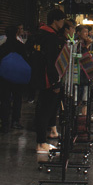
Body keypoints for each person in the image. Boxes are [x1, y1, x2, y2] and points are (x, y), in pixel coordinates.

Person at [33, 8, 66, 153]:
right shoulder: (52, 37)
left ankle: (41, 141)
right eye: (62, 20)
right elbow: (52, 62)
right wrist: (55, 82)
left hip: (37, 77)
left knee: (41, 109)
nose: (63, 23)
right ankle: (41, 143)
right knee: (45, 110)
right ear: (55, 20)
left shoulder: (39, 34)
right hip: (48, 79)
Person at [0, 25, 28, 132]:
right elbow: (26, 59)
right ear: (16, 33)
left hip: (4, 78)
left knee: (5, 100)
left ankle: (5, 123)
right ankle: (15, 121)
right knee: (17, 99)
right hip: (17, 77)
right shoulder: (20, 46)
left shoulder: (3, 47)